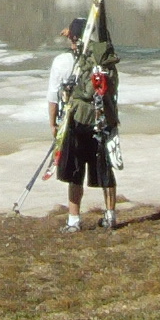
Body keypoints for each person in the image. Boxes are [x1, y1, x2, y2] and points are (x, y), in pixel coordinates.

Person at [46, 14, 122, 230]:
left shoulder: (62, 62)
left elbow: (53, 98)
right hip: (102, 117)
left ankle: (73, 221)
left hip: (77, 119)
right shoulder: (101, 59)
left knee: (75, 171)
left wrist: (53, 125)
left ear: (73, 39)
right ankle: (110, 216)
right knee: (105, 168)